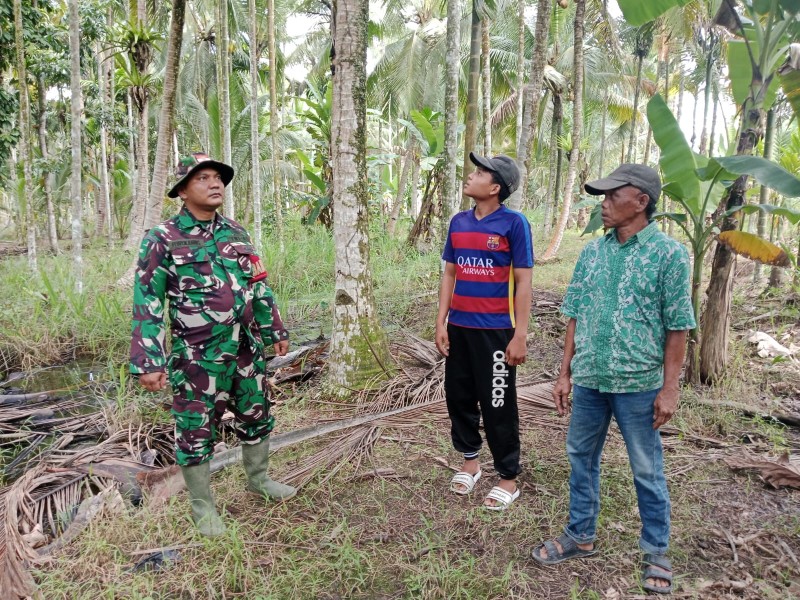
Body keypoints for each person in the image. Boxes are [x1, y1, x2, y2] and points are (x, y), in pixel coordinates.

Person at [530, 164, 696, 595]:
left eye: (610, 197)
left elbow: (677, 326)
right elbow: (574, 314)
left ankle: (656, 549)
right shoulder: (593, 252)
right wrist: (564, 373)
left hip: (638, 383)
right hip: (589, 380)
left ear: (640, 202)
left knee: (646, 468)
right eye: (601, 197)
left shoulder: (670, 255)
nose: (602, 204)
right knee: (581, 458)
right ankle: (580, 535)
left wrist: (670, 387)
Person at [130, 152, 296, 537]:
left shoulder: (237, 233)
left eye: (218, 177)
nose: (215, 183)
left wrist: (276, 330)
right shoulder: (162, 239)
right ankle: (202, 506)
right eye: (203, 178)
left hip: (245, 349)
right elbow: (148, 302)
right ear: (183, 191)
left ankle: (259, 479)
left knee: (256, 413)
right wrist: (148, 360)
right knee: (194, 428)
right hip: (197, 357)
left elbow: (258, 285)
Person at [435, 152, 533, 511]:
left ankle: (508, 477)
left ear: (495, 188)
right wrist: (441, 322)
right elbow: (450, 274)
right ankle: (470, 463)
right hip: (459, 328)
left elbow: (523, 282)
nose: (471, 176)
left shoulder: (514, 224)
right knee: (458, 396)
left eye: (479, 173)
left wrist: (519, 334)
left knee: (497, 402)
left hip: (495, 332)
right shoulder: (459, 222)